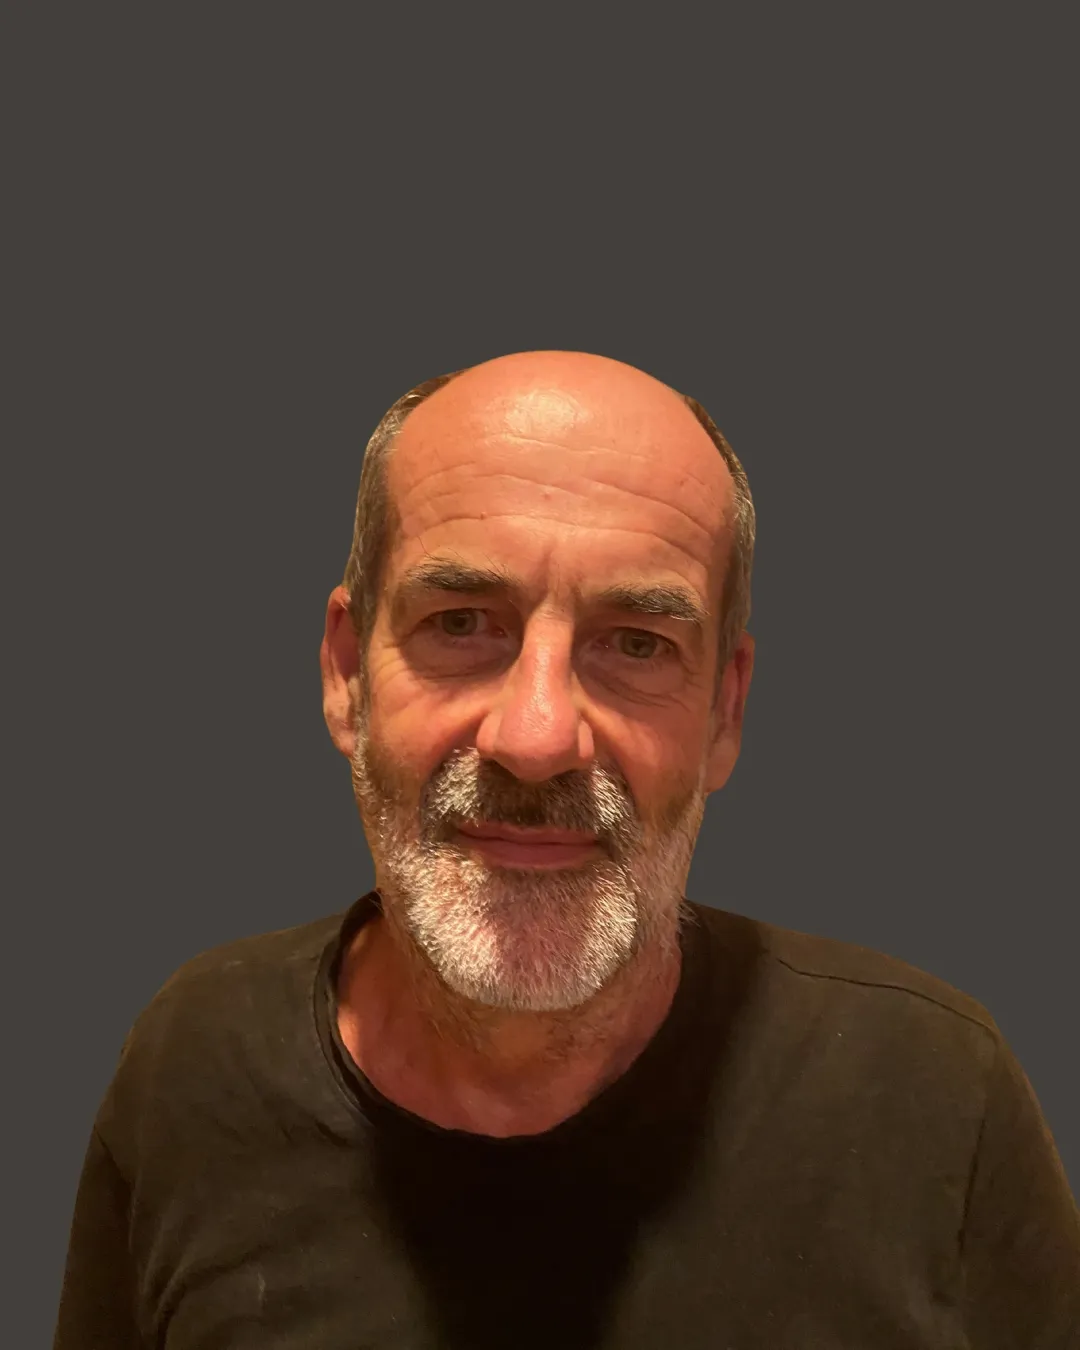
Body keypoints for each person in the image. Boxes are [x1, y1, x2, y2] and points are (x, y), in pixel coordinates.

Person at [54, 351, 1079, 1349]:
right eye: (462, 623)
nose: (537, 737)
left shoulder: (932, 1095)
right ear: (347, 673)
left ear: (724, 712)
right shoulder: (194, 1065)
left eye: (636, 643)